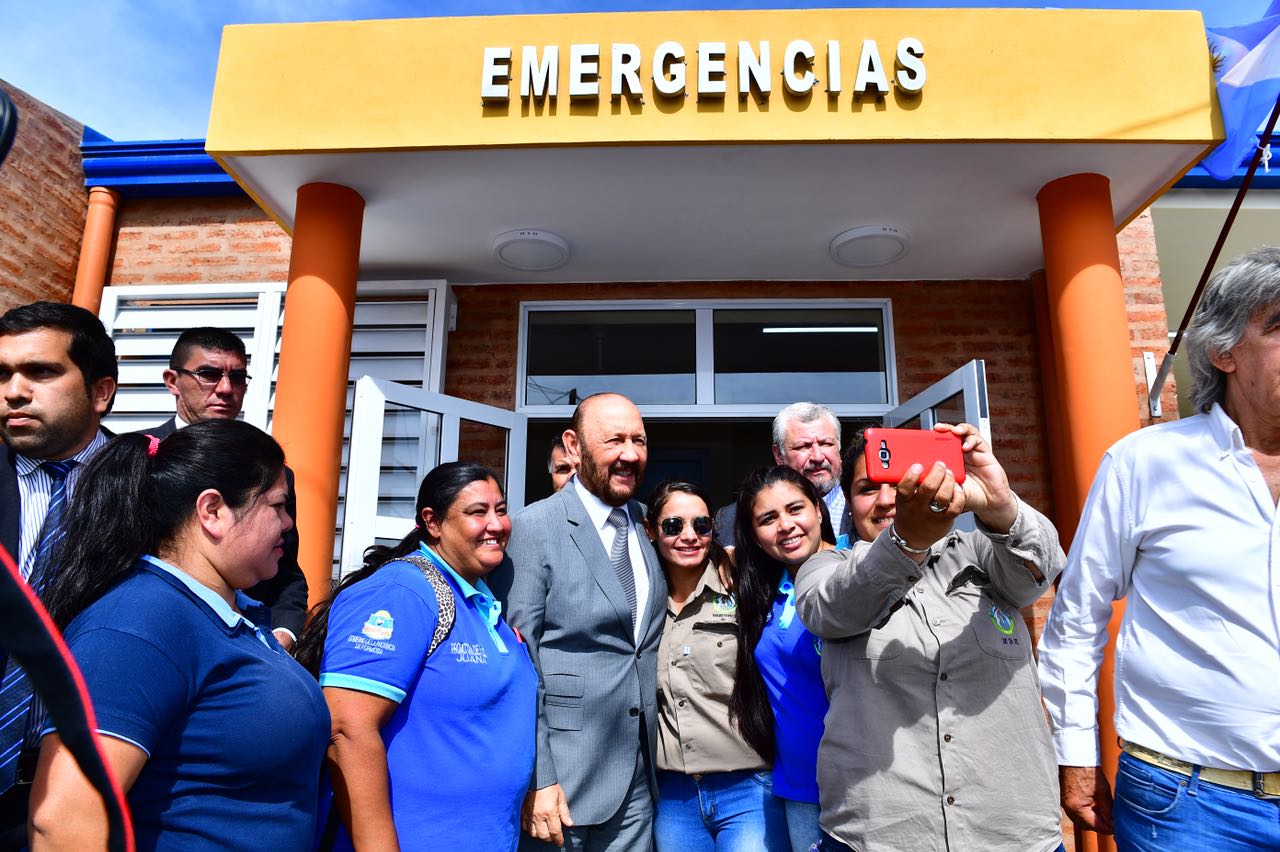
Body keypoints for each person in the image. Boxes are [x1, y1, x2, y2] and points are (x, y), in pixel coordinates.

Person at [1038, 247, 1280, 852]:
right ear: (1224, 353)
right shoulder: (1148, 462)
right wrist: (1077, 754)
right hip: (1190, 805)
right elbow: (1076, 619)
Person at [29, 420, 330, 850]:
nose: (287, 524)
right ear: (212, 511)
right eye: (278, 506)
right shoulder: (139, 622)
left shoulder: (221, 613)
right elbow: (62, 823)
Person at [795, 422, 1065, 852]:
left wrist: (1000, 506)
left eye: (903, 482)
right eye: (869, 488)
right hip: (880, 835)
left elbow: (1040, 570)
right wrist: (907, 540)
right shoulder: (825, 568)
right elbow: (836, 606)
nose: (889, 499)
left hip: (1013, 833)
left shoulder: (981, 550)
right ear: (847, 502)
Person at [294, 461, 536, 850]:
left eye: (501, 510)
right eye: (478, 512)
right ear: (433, 522)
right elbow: (346, 730)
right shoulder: (402, 592)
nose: (496, 524)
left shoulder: (481, 602)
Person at [492, 392, 667, 851]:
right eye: (615, 441)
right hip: (561, 783)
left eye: (640, 441)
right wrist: (538, 777)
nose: (630, 454)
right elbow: (518, 662)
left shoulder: (649, 524)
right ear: (573, 446)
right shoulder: (534, 527)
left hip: (637, 777)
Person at [0, 301, 117, 845]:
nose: (14, 391)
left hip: (92, 780)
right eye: (3, 374)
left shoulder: (156, 489)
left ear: (100, 391)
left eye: (41, 372)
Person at [645, 479, 788, 852]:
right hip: (674, 797)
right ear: (651, 531)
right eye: (674, 526)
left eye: (702, 525)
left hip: (746, 789)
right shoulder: (639, 601)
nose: (689, 536)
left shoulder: (743, 586)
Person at [144, 327, 307, 650]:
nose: (225, 388)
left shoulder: (274, 472)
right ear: (172, 381)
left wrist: (284, 634)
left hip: (243, 643)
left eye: (237, 377)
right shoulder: (139, 456)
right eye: (208, 374)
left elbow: (286, 573)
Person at [730, 465, 833, 852]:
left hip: (862, 784)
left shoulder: (857, 575)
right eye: (768, 518)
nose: (786, 525)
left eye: (795, 509)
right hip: (799, 787)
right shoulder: (764, 592)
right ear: (754, 537)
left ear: (819, 511)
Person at [716, 403, 851, 548]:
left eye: (826, 443)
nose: (817, 457)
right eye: (803, 446)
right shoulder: (729, 520)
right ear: (779, 455)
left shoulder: (870, 508)